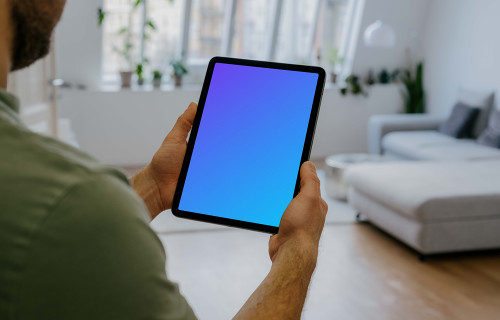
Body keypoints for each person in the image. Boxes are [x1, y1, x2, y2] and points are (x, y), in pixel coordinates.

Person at [0, 0, 328, 319]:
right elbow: (72, 225)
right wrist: (298, 247)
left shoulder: (49, 204)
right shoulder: (71, 199)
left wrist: (155, 187)